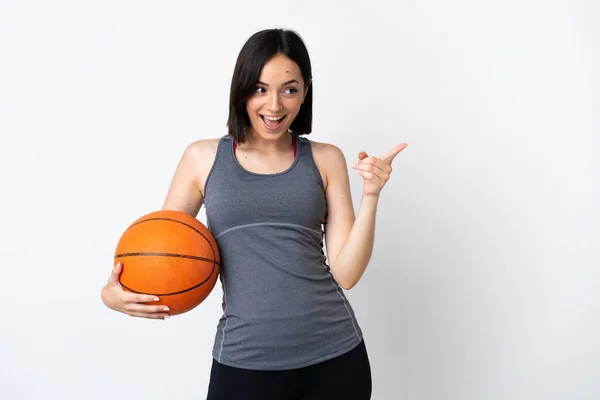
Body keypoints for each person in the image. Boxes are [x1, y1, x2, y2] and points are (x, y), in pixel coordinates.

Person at [101, 28, 407, 400]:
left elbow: (347, 273)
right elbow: (164, 255)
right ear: (242, 88)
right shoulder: (202, 158)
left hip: (336, 356)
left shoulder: (326, 159)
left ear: (305, 92)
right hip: (244, 359)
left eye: (289, 89)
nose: (275, 105)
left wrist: (371, 195)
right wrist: (112, 294)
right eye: (260, 88)